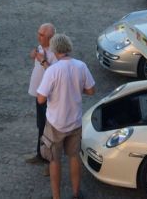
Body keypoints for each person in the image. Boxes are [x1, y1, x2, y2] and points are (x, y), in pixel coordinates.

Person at [37, 34, 95, 199]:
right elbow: (91, 91)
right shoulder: (81, 66)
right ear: (69, 48)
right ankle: (76, 194)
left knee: (54, 160)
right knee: (74, 156)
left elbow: (40, 99)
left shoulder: (52, 71)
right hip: (75, 122)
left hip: (56, 123)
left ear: (54, 50)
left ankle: (57, 197)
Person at [26, 23, 57, 165]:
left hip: (48, 97)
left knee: (47, 130)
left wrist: (43, 60)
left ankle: (49, 161)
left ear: (50, 38)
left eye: (42, 35)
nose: (39, 37)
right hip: (39, 95)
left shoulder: (55, 53)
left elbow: (56, 75)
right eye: (38, 33)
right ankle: (40, 155)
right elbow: (34, 55)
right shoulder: (41, 47)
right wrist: (34, 53)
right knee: (40, 126)